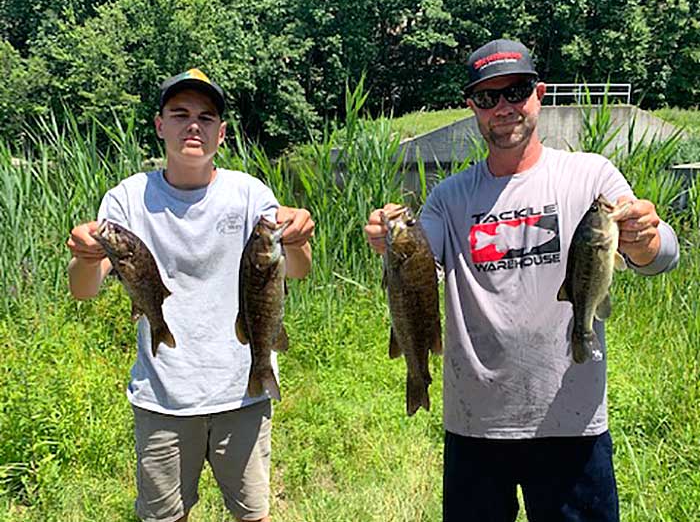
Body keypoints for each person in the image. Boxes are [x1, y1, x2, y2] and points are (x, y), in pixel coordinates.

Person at [364, 39, 679, 522]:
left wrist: (642, 239)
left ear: (539, 94)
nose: (504, 107)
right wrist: (390, 242)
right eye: (488, 98)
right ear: (472, 106)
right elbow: (418, 272)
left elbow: (664, 254)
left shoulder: (589, 176)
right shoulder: (449, 197)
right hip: (476, 422)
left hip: (572, 419)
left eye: (516, 91)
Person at [66, 69, 314, 522]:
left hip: (242, 392)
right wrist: (85, 256)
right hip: (162, 395)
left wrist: (296, 238)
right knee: (163, 516)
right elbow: (84, 290)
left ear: (221, 132)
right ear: (160, 125)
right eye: (179, 114)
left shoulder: (248, 193)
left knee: (253, 513)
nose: (192, 125)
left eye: (206, 116)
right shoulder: (127, 199)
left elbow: (297, 268)